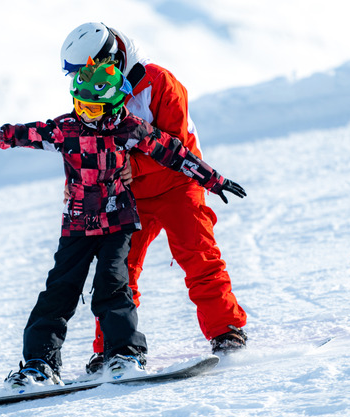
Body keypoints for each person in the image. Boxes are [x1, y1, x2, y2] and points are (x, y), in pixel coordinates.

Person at [0, 57, 246, 388]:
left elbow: (175, 153)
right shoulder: (66, 129)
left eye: (93, 109)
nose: (85, 115)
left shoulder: (131, 129)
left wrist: (215, 181)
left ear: (113, 104)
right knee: (58, 292)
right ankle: (40, 363)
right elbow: (16, 134)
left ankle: (124, 354)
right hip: (78, 225)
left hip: (117, 223)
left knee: (113, 287)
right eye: (79, 105)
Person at [61, 23, 249, 373]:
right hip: (131, 196)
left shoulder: (159, 82)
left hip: (178, 185)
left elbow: (175, 143)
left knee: (198, 256)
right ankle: (114, 348)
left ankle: (227, 330)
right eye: (81, 73)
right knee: (116, 272)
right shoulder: (92, 92)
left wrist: (133, 164)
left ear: (111, 57)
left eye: (91, 67)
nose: (88, 77)